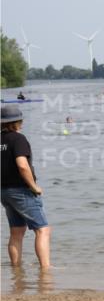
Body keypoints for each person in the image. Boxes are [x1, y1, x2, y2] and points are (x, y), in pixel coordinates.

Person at [0, 105, 51, 268]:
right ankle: (46, 268)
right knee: (43, 230)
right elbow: (22, 165)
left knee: (16, 231)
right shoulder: (18, 139)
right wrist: (34, 186)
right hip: (21, 190)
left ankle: (16, 269)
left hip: (3, 191)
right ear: (18, 121)